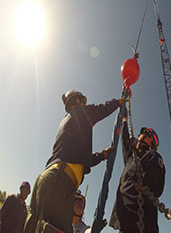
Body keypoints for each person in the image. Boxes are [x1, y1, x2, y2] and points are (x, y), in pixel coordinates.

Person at [24, 90, 127, 233]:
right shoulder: (80, 113)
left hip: (48, 178)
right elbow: (100, 109)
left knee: (32, 228)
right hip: (61, 180)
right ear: (77, 101)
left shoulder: (67, 121)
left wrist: (102, 155)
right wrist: (118, 102)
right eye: (82, 101)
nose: (84, 104)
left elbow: (81, 157)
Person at [109, 114, 165, 233]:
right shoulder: (131, 157)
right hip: (124, 215)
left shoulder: (154, 157)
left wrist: (141, 154)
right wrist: (125, 121)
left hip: (143, 221)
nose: (138, 135)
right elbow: (125, 141)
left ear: (150, 140)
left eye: (142, 134)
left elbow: (158, 188)